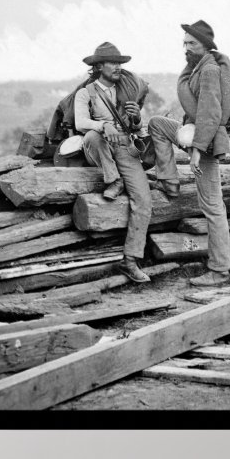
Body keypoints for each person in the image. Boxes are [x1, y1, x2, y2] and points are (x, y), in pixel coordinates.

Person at [148, 20, 230, 287]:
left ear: (206, 46)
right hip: (195, 132)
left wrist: (197, 151)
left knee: (212, 206)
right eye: (184, 43)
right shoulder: (196, 68)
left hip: (207, 141)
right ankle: (170, 181)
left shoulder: (209, 70)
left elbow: (211, 114)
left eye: (192, 44)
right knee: (157, 123)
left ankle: (220, 269)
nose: (186, 48)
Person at [74, 42, 153, 283]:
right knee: (92, 135)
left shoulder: (125, 91)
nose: (118, 67)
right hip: (99, 146)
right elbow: (80, 123)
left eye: (120, 63)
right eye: (113, 62)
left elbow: (136, 127)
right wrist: (102, 125)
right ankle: (113, 179)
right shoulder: (86, 92)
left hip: (124, 147)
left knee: (144, 199)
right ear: (98, 66)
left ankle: (130, 260)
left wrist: (137, 118)